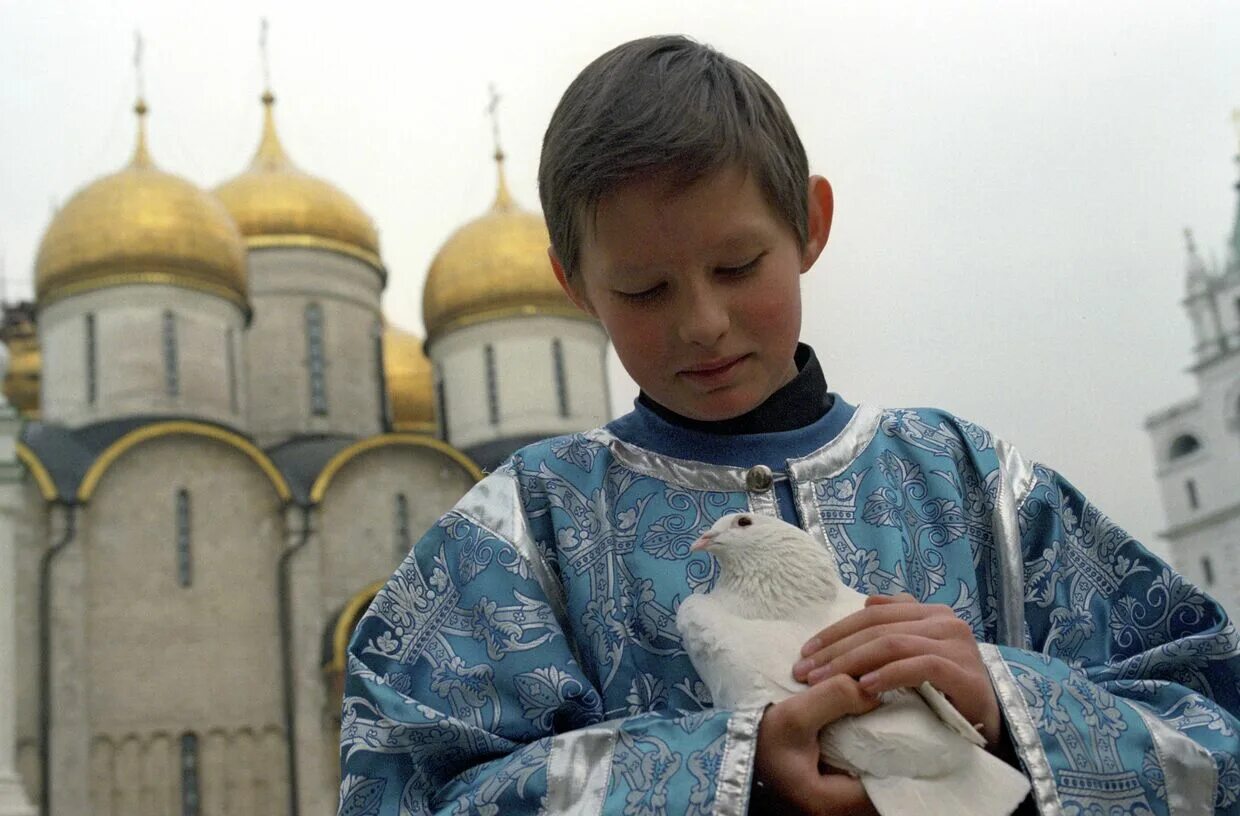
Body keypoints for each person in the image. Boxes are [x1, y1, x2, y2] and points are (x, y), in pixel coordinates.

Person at [338, 35, 1240, 815]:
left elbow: (1215, 726)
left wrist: (1006, 700)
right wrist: (725, 775)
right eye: (644, 289)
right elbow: (401, 788)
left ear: (810, 224)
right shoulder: (516, 537)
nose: (701, 323)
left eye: (737, 266)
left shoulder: (978, 487)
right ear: (575, 287)